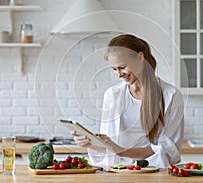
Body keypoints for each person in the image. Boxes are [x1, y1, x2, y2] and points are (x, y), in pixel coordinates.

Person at [72, 34, 184, 168]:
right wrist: (92, 144)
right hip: (118, 173)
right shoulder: (112, 95)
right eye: (114, 69)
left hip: (154, 173)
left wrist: (121, 151)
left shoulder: (171, 96)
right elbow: (109, 149)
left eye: (122, 67)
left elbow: (168, 150)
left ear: (140, 57)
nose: (119, 74)